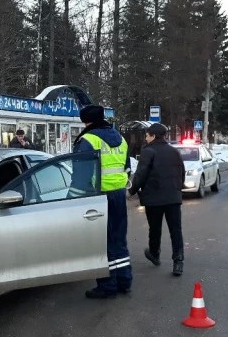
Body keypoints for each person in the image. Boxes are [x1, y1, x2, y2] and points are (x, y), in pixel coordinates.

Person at [71, 104, 132, 299]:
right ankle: (124, 280)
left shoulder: (88, 140)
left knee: (101, 243)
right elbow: (127, 168)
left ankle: (107, 285)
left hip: (98, 197)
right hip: (119, 194)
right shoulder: (120, 139)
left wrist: (71, 200)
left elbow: (81, 176)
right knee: (118, 239)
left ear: (85, 121)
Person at [128, 123, 186, 276]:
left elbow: (141, 174)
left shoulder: (148, 151)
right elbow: (182, 173)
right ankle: (178, 261)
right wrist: (177, 189)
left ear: (153, 136)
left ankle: (154, 253)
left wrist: (132, 190)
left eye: (147, 135)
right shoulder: (174, 151)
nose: (146, 138)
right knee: (176, 230)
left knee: (155, 228)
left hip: (153, 198)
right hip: (173, 198)